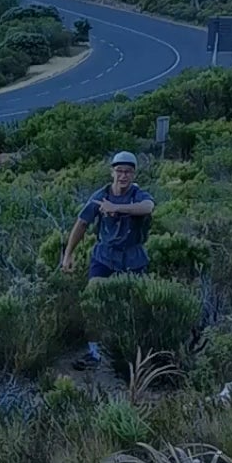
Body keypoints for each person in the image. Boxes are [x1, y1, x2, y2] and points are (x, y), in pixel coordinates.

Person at [60, 149, 155, 365]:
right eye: (119, 171)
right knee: (93, 299)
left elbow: (148, 207)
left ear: (134, 175)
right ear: (112, 172)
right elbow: (82, 223)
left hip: (134, 258)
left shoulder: (138, 195)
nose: (123, 176)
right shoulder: (100, 195)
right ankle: (94, 352)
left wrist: (117, 208)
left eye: (128, 172)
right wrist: (68, 254)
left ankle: (134, 351)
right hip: (105, 257)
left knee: (137, 306)